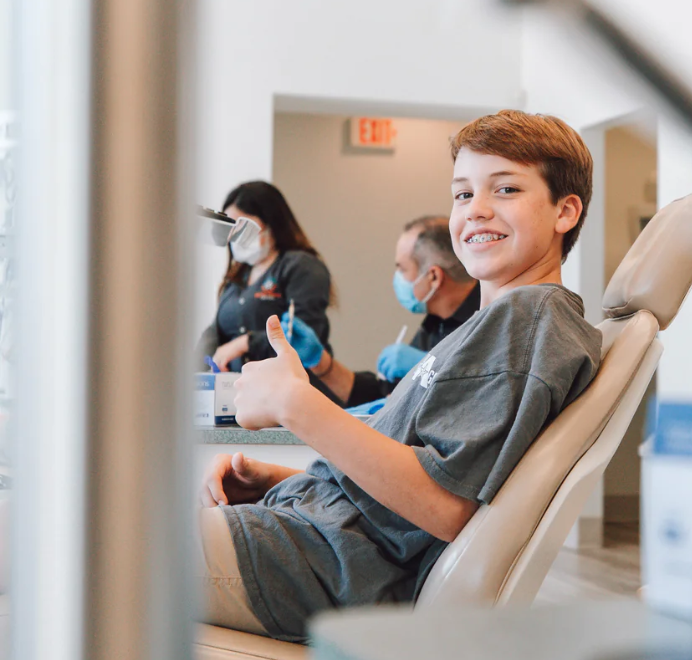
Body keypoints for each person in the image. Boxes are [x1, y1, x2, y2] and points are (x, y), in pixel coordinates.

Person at [197, 110, 602, 642]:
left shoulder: (528, 321)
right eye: (462, 195)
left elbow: (445, 507)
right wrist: (281, 478)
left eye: (504, 189)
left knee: (89, 544)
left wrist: (296, 404)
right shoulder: (489, 327)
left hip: (324, 567)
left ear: (564, 211)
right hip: (309, 538)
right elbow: (405, 484)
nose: (476, 210)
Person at [283, 215, 480, 409]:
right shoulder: (434, 324)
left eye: (402, 269)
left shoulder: (486, 322)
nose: (397, 278)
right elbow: (384, 395)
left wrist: (430, 367)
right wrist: (320, 362)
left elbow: (481, 399)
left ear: (434, 276)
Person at [195, 181, 344, 404]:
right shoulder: (239, 276)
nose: (236, 235)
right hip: (243, 399)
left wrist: (245, 342)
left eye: (242, 225)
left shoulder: (300, 266)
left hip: (294, 398)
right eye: (231, 227)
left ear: (271, 222)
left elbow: (301, 332)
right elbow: (217, 330)